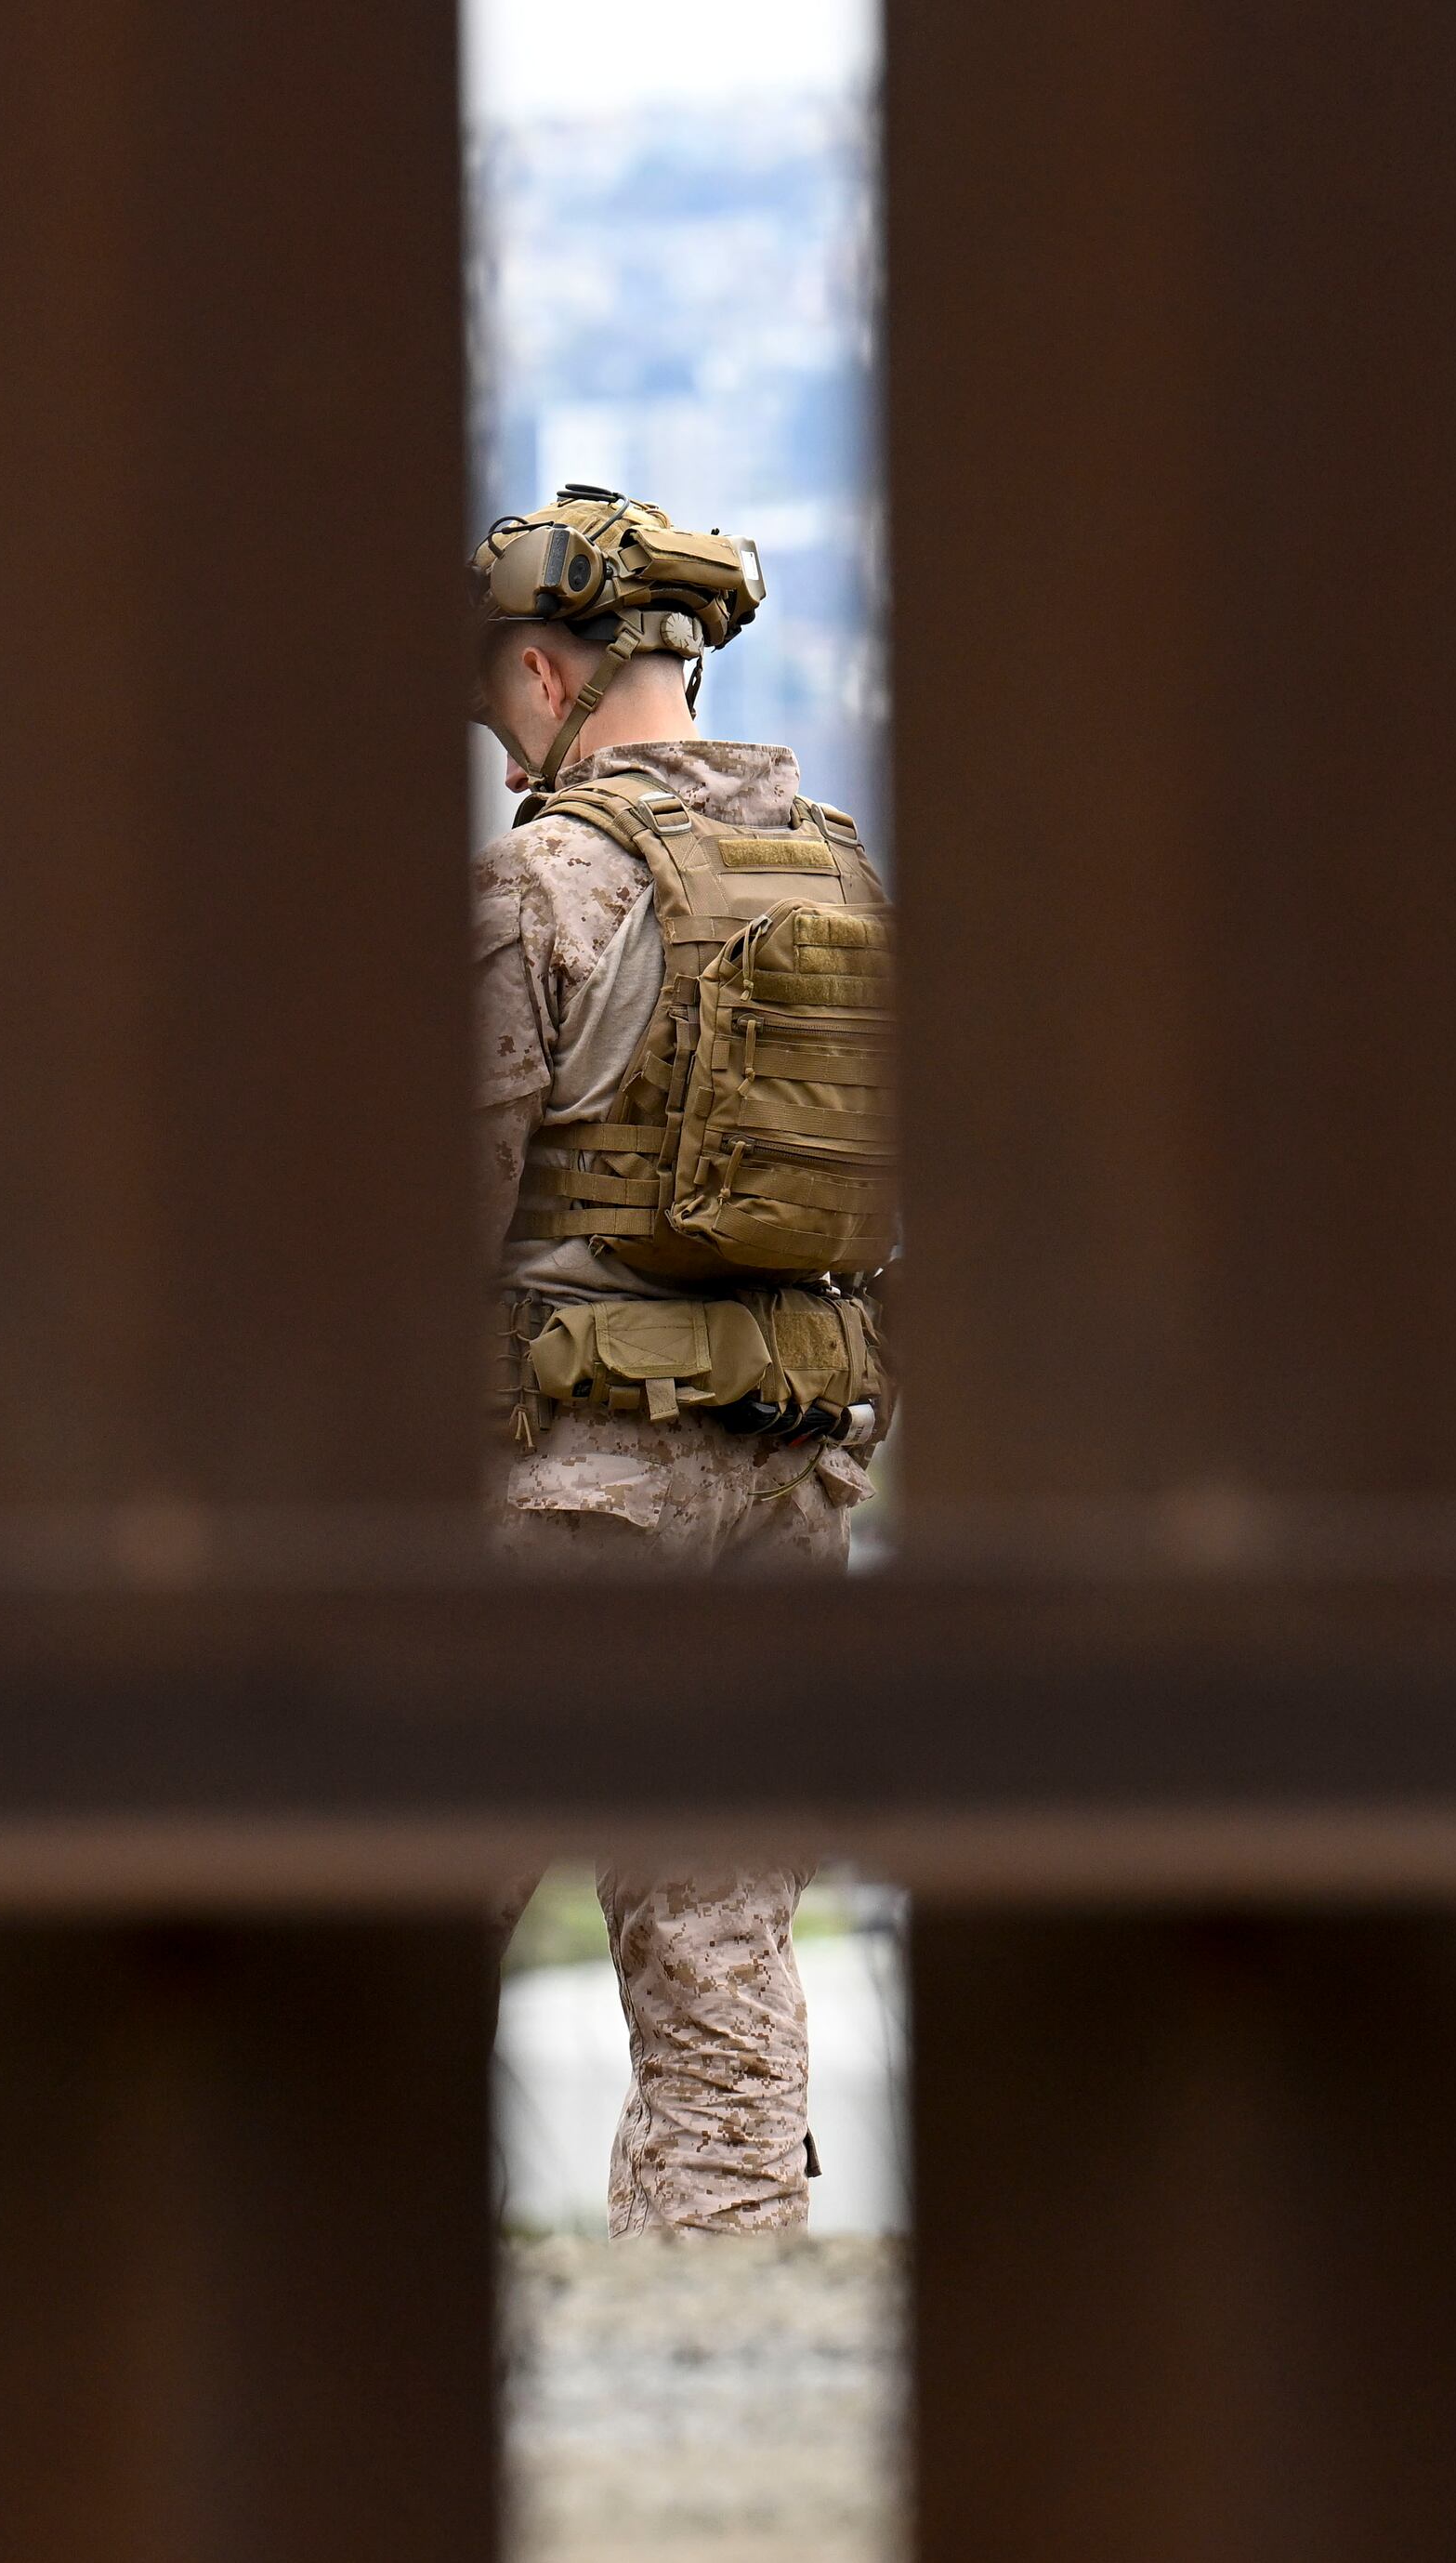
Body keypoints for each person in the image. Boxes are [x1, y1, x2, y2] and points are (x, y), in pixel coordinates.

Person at [474, 487, 890, 2235]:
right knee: (721, 1931)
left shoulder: (536, 885)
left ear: (556, 673)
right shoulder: (847, 873)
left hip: (567, 1474)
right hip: (789, 1461)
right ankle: (720, 2319)